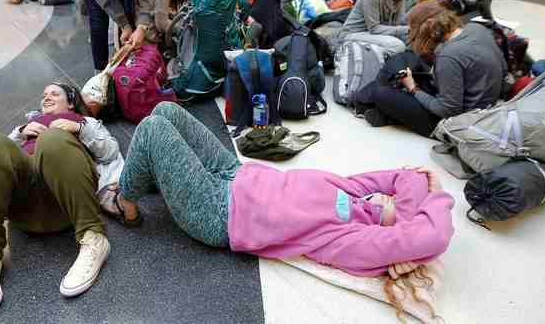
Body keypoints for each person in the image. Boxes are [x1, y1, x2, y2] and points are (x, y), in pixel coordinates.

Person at [114, 102, 454, 316]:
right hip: (235, 173)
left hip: (219, 212)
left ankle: (125, 201)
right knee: (166, 112)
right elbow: (405, 176)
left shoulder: (350, 238)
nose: (390, 197)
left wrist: (435, 197)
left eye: (400, 206)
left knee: (152, 129)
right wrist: (408, 208)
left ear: (398, 230)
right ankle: (158, 177)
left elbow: (432, 237)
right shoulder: (356, 194)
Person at [0, 83, 124, 316]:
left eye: (54, 93)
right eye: (44, 95)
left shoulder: (84, 122)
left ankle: (94, 239)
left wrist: (79, 129)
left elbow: (110, 151)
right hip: (24, 205)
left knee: (52, 139)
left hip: (65, 203)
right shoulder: (29, 126)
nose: (47, 97)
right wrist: (20, 133)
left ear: (70, 102)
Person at [359, 0, 508, 137]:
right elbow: (504, 69)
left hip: (457, 123)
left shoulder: (449, 57)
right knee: (408, 65)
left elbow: (447, 110)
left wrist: (413, 89)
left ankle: (370, 106)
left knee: (381, 92)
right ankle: (380, 111)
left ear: (428, 26)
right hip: (485, 108)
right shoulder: (476, 28)